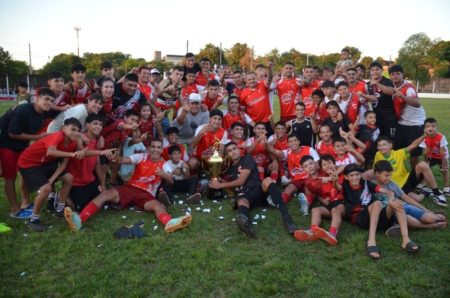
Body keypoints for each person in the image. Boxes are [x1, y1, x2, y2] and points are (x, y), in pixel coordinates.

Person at [64, 139, 192, 233]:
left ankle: (169, 223)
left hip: (146, 194)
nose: (156, 150)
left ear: (161, 150)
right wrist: (115, 159)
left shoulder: (165, 164)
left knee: (158, 205)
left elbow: (171, 182)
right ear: (149, 148)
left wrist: (164, 175)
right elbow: (124, 160)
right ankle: (80, 219)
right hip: (130, 188)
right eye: (153, 147)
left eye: (159, 147)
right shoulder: (141, 157)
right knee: (105, 194)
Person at [208, 142, 297, 237]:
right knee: (241, 200)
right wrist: (219, 181)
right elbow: (233, 186)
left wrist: (220, 185)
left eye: (234, 149)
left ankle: (287, 220)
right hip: (244, 194)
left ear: (239, 150)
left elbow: (241, 181)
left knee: (267, 180)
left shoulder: (247, 158)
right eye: (229, 151)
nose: (233, 152)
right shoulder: (228, 168)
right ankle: (246, 225)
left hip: (256, 189)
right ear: (227, 154)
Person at [18, 118, 87, 231]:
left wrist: (52, 179)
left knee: (68, 178)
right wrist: (72, 154)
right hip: (29, 163)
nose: (75, 133)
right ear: (64, 128)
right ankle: (33, 219)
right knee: (46, 188)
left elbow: (63, 165)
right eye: (72, 129)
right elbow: (50, 151)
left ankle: (59, 209)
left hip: (46, 163)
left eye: (78, 130)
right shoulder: (57, 135)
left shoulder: (72, 142)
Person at [342, 163, 421, 259]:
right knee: (377, 203)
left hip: (376, 217)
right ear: (346, 177)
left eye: (357, 174)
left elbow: (388, 192)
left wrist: (391, 201)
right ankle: (371, 241)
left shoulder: (366, 183)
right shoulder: (344, 186)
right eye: (351, 175)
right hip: (360, 218)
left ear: (360, 175)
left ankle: (406, 240)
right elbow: (336, 188)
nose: (355, 178)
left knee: (396, 203)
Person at [0, 87, 55, 218]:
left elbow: (59, 112)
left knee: (25, 171)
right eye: (46, 99)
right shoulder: (23, 110)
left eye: (51, 100)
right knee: (10, 177)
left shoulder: (44, 111)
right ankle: (15, 209)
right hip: (5, 143)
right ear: (36, 98)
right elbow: (12, 133)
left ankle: (25, 203)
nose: (49, 102)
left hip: (21, 145)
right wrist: (37, 137)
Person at [373, 160, 447, 230]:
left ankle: (436, 216)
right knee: (409, 220)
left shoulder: (391, 184)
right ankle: (431, 226)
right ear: (377, 173)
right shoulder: (370, 185)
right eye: (386, 175)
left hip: (404, 206)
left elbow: (405, 197)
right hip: (393, 212)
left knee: (431, 219)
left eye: (390, 175)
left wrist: (424, 209)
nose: (389, 178)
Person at [374, 136, 447, 207]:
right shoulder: (378, 155)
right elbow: (375, 171)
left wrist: (425, 135)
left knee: (423, 165)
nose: (381, 147)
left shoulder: (398, 153)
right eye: (379, 145)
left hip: (407, 179)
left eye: (384, 145)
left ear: (390, 145)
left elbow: (413, 145)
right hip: (399, 186)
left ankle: (437, 193)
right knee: (417, 199)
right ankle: (425, 192)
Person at [66, 114, 116, 211]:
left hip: (90, 181)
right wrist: (101, 152)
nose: (98, 126)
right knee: (81, 208)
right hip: (77, 183)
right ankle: (62, 196)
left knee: (103, 203)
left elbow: (97, 163)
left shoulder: (97, 140)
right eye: (95, 123)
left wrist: (102, 184)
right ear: (87, 125)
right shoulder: (79, 138)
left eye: (100, 125)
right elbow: (82, 152)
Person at [294, 155, 344, 246]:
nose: (309, 167)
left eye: (311, 164)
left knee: (335, 210)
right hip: (329, 203)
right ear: (303, 169)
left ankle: (332, 234)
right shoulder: (308, 182)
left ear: (316, 164)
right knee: (315, 210)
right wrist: (323, 200)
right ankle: (313, 231)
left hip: (340, 202)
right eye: (306, 166)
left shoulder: (324, 170)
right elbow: (316, 194)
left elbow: (343, 166)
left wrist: (330, 177)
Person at [390, 64, 426, 168]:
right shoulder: (392, 86)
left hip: (415, 124)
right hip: (402, 123)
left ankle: (418, 177)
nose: (395, 76)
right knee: (398, 152)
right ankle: (400, 175)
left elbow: (417, 103)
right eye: (392, 74)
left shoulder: (408, 88)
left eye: (398, 74)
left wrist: (403, 96)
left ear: (403, 75)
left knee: (414, 155)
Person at [266, 134, 320, 203]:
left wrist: (313, 178)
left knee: (308, 189)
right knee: (289, 189)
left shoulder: (309, 150)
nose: (293, 143)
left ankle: (306, 203)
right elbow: (274, 151)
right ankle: (278, 201)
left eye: (295, 140)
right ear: (288, 144)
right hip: (296, 179)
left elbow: (317, 165)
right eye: (290, 141)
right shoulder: (287, 152)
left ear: (299, 141)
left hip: (309, 177)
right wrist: (266, 143)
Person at [240, 62, 274, 136]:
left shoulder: (262, 85)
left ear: (256, 78)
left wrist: (270, 69)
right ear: (246, 81)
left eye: (253, 78)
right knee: (256, 145)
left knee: (270, 142)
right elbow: (242, 111)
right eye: (249, 79)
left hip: (267, 122)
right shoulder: (243, 94)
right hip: (254, 124)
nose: (251, 81)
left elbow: (270, 78)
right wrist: (250, 122)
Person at [367, 61, 396, 141]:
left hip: (388, 118)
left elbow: (391, 92)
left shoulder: (387, 81)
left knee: (390, 141)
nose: (375, 72)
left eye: (377, 69)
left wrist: (376, 84)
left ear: (381, 71)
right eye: (372, 70)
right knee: (377, 141)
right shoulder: (367, 85)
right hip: (375, 119)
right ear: (370, 72)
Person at [420, 118, 449, 195]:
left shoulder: (441, 137)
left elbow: (442, 152)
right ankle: (424, 183)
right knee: (426, 168)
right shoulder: (424, 138)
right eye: (428, 126)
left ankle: (446, 187)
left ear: (436, 127)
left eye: (433, 126)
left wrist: (444, 164)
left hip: (442, 156)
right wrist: (426, 161)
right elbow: (425, 153)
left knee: (444, 170)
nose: (431, 128)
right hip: (432, 156)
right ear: (425, 129)